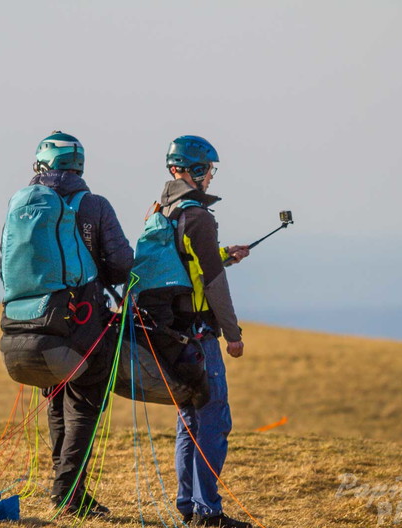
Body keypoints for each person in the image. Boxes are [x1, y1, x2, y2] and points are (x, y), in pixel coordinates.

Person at [3, 131, 133, 517]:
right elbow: (123, 263)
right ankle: (69, 496)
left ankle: (66, 491)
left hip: (29, 319)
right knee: (85, 403)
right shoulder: (93, 204)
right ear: (78, 166)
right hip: (83, 321)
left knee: (58, 401)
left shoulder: (22, 207)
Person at [158, 135, 252, 528]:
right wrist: (232, 333)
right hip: (198, 335)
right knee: (212, 419)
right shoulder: (198, 215)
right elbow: (212, 284)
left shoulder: (163, 210)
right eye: (209, 169)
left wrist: (223, 255)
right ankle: (208, 512)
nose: (211, 177)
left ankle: (189, 507)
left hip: (170, 334)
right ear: (194, 170)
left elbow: (187, 266)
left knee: (189, 420)